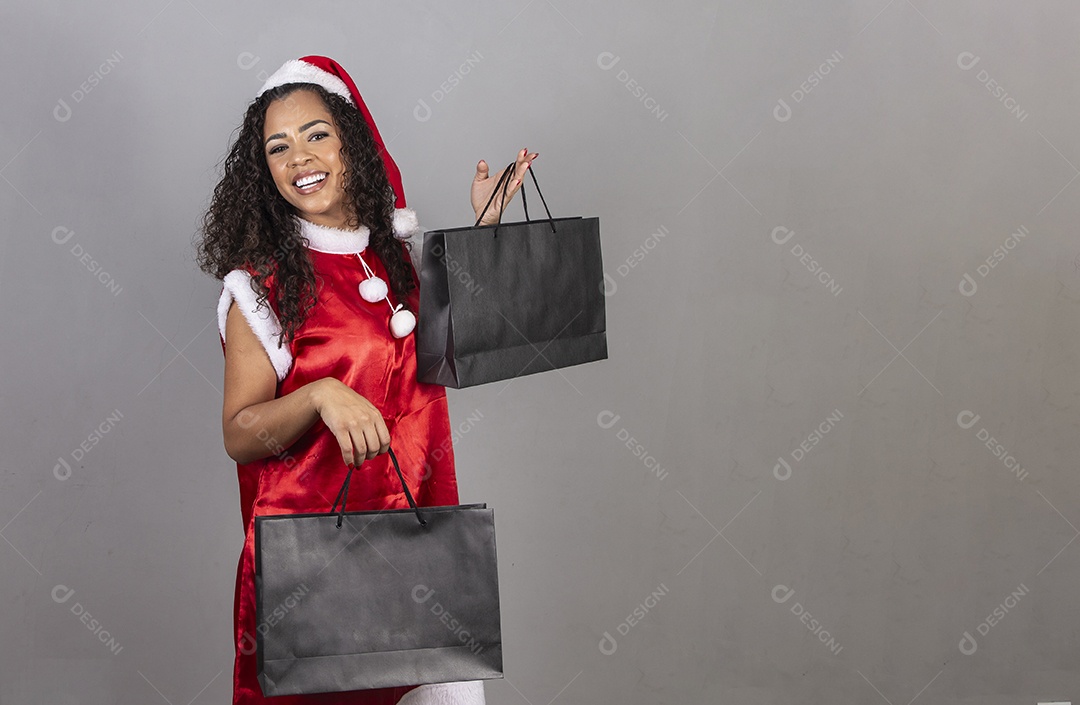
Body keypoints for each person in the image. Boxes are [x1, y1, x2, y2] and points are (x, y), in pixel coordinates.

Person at [196, 55, 537, 705]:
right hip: (317, 568)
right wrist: (321, 393)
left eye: (316, 134)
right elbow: (240, 433)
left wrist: (484, 231)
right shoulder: (259, 286)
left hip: (420, 549)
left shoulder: (398, 256)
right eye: (279, 146)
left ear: (352, 140)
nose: (300, 156)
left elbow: (452, 348)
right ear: (262, 170)